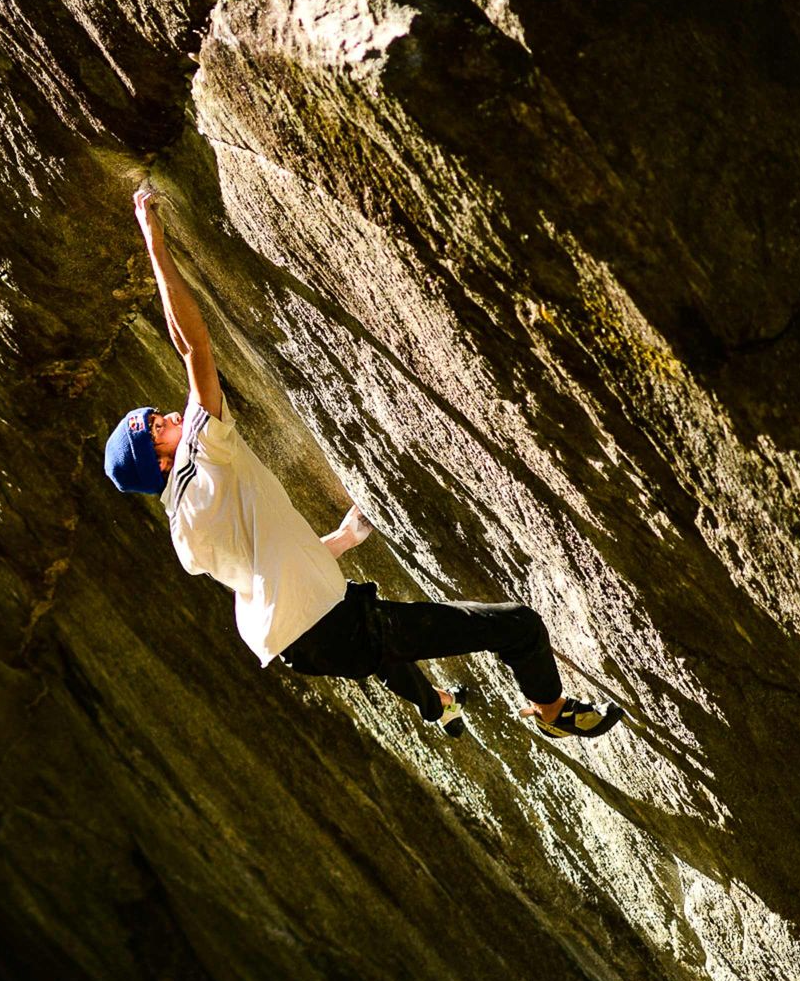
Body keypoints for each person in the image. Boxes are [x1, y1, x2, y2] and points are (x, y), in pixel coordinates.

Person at [103, 186, 621, 741]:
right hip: (329, 628)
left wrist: (343, 541)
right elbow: (192, 347)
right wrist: (154, 242)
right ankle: (552, 713)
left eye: (159, 415)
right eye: (156, 427)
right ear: (160, 461)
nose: (168, 417)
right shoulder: (202, 452)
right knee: (517, 626)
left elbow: (264, 571)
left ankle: (438, 705)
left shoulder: (182, 530)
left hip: (294, 645)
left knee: (374, 640)